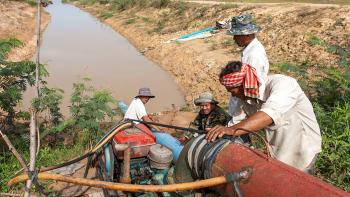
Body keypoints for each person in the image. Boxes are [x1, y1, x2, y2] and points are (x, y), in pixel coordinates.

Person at [206, 61, 322, 173]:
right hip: (279, 151)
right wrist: (219, 132)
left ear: (244, 85)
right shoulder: (244, 98)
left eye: (232, 91)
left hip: (302, 149)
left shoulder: (283, 84)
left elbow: (267, 115)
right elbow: (235, 123)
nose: (233, 95)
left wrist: (231, 130)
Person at [227, 13, 270, 141]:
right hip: (242, 104)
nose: (234, 38)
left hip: (245, 106)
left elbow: (249, 88)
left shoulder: (253, 55)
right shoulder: (250, 50)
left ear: (246, 34)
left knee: (237, 136)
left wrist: (238, 116)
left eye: (236, 35)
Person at [124, 87, 183, 162]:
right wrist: (158, 129)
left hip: (131, 122)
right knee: (152, 137)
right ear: (140, 96)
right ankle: (151, 154)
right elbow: (146, 119)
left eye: (148, 97)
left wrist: (148, 117)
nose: (147, 98)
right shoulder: (139, 103)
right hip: (132, 124)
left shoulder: (136, 101)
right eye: (145, 96)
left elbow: (143, 116)